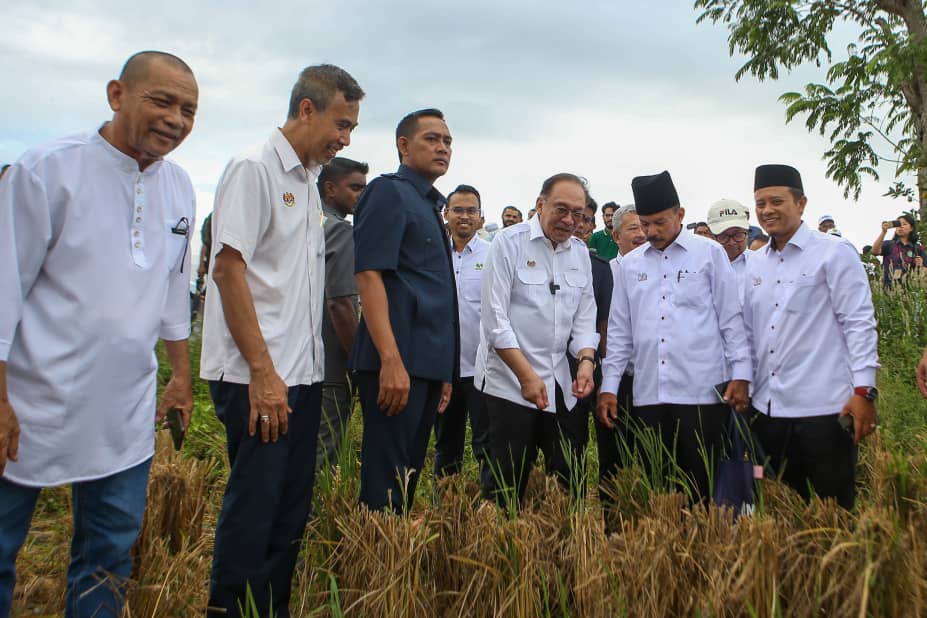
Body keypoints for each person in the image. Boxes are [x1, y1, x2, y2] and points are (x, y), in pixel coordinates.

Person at [0, 50, 198, 618]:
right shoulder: (46, 170)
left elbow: (171, 289)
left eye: (187, 110)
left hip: (123, 410)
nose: (175, 120)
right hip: (29, 403)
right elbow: (5, 286)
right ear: (116, 95)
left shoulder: (180, 186)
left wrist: (180, 376)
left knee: (109, 556)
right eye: (161, 101)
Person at [200, 64, 363, 618]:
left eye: (352, 129)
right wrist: (264, 373)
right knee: (255, 513)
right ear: (307, 109)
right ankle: (231, 609)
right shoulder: (254, 168)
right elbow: (228, 271)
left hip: (302, 376)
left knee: (289, 513)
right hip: (258, 377)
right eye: (341, 124)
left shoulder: (307, 183)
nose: (345, 139)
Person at [599, 171, 751, 503]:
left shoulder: (708, 255)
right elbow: (621, 332)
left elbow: (731, 320)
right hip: (649, 395)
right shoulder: (630, 266)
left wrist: (741, 374)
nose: (650, 232)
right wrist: (609, 387)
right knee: (661, 487)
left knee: (704, 486)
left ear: (679, 215)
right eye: (644, 224)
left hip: (701, 395)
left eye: (659, 223)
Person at [744, 164, 879, 510]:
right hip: (767, 411)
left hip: (824, 411)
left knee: (831, 513)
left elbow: (859, 322)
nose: (767, 210)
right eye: (760, 203)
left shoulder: (833, 252)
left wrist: (864, 390)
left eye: (776, 201)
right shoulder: (755, 264)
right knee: (775, 509)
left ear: (801, 203)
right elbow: (748, 330)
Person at [350, 108, 457, 513]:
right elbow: (369, 275)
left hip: (426, 365)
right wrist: (390, 361)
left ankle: (395, 565)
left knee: (408, 476)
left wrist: (442, 374)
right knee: (386, 481)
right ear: (403, 145)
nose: (442, 148)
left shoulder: (428, 204)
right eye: (432, 139)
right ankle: (373, 571)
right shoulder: (388, 192)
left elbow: (436, 294)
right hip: (398, 363)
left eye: (447, 141)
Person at [479, 172, 598, 506]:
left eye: (578, 214)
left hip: (560, 383)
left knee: (568, 476)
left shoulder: (580, 253)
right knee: (506, 480)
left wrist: (586, 359)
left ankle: (569, 548)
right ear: (540, 204)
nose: (569, 220)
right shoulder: (508, 243)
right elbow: (494, 319)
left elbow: (585, 316)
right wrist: (525, 375)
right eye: (561, 209)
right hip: (509, 383)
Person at [433, 184, 491, 487]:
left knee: (486, 444)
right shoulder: (433, 253)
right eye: (458, 210)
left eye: (471, 211)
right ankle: (445, 510)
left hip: (482, 369)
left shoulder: (492, 255)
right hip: (442, 369)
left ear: (481, 217)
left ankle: (487, 510)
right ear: (446, 214)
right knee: (445, 443)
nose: (464, 217)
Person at [316, 157, 368, 473]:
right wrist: (358, 363)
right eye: (355, 187)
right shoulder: (339, 230)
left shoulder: (305, 222)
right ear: (330, 188)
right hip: (333, 364)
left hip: (299, 360)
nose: (361, 195)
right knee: (323, 452)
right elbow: (341, 305)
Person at [706, 199, 751, 302]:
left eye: (738, 235)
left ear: (747, 231)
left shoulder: (762, 264)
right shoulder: (699, 267)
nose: (731, 242)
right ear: (711, 235)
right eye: (723, 236)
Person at [872, 213, 927, 288]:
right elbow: (875, 251)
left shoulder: (917, 248)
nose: (901, 226)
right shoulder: (889, 244)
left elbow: (925, 272)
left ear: (911, 228)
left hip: (911, 290)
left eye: (904, 224)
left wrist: (920, 266)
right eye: (898, 224)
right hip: (889, 289)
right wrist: (883, 232)